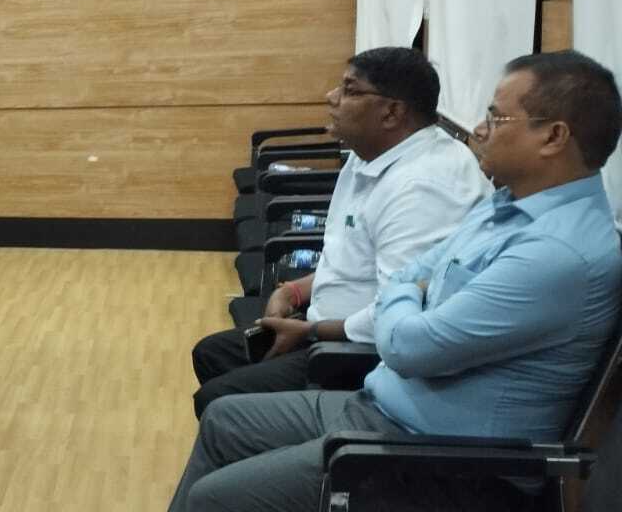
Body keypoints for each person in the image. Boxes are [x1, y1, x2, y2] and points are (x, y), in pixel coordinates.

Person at [169, 50, 622, 512]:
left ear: (553, 137)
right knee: (224, 421)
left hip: (444, 462)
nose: (480, 128)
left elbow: (408, 346)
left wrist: (406, 296)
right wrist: (409, 294)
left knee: (214, 499)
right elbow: (414, 275)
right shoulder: (506, 203)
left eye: (496, 116)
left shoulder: (557, 253)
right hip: (384, 409)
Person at [190, 47, 490, 417]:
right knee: (213, 354)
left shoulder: (423, 188)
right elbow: (353, 259)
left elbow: (401, 313)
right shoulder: (371, 155)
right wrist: (294, 291)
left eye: (350, 90)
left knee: (218, 401)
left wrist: (314, 332)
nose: (331, 97)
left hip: (361, 355)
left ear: (392, 112)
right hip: (325, 328)